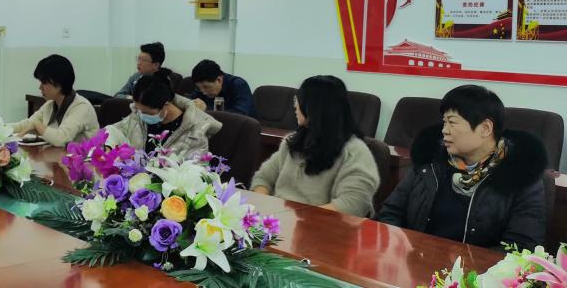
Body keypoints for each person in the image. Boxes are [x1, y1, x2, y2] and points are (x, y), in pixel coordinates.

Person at [376, 85, 546, 250]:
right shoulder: (429, 162)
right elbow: (390, 212)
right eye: (444, 122)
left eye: (452, 122)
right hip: (415, 260)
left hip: (477, 269)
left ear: (485, 128)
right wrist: (401, 248)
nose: (444, 130)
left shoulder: (522, 175)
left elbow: (521, 248)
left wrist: (465, 266)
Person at [250, 75, 379, 217]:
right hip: (280, 221)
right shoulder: (292, 141)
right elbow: (263, 178)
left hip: (321, 225)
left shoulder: (355, 151)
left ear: (315, 108)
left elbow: (354, 204)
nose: (295, 106)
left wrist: (296, 217)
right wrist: (264, 209)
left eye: (299, 100)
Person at [106, 70, 221, 157]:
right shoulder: (140, 114)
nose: (140, 115)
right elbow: (115, 129)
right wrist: (108, 146)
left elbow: (196, 172)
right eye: (138, 109)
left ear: (166, 105)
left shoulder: (195, 132)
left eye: (146, 112)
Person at [12, 55, 99, 146]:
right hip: (61, 154)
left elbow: (61, 139)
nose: (40, 87)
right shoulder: (50, 104)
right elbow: (27, 124)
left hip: (84, 155)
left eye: (44, 82)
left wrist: (37, 125)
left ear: (59, 83)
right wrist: (3, 128)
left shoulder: (82, 107)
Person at [188, 59, 254, 116]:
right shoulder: (202, 88)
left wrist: (205, 110)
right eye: (199, 88)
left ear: (219, 80)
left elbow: (240, 113)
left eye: (206, 87)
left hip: (244, 124)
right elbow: (189, 100)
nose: (204, 92)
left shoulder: (239, 84)